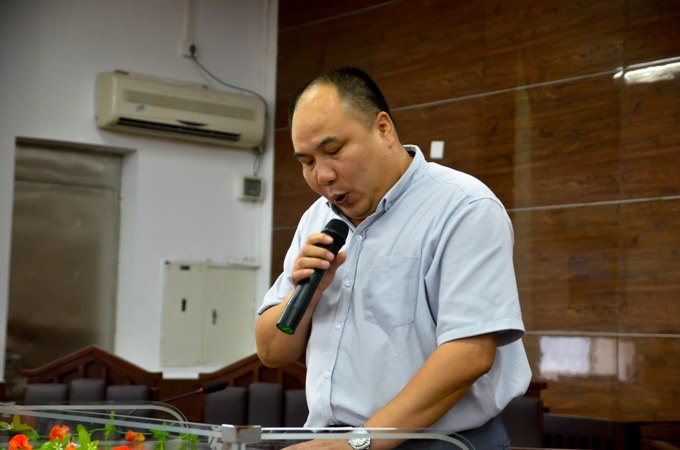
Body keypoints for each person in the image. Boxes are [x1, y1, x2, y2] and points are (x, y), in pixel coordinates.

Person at [256, 67, 531, 450]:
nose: (323, 175)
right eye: (307, 162)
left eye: (333, 151)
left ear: (383, 129)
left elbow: (469, 354)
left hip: (438, 442)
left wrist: (358, 442)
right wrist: (308, 293)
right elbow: (272, 351)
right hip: (331, 440)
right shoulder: (316, 219)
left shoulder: (464, 207)